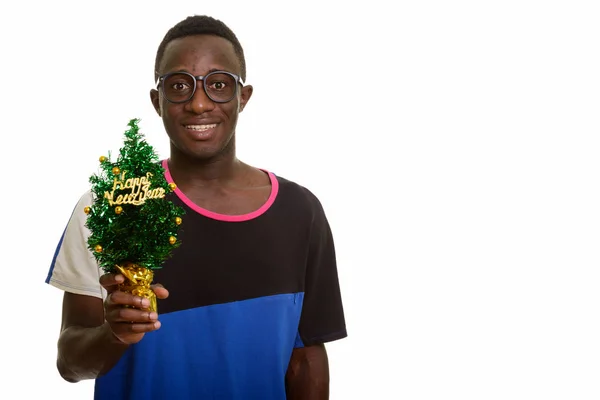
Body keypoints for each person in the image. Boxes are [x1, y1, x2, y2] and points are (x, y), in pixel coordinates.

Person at [45, 14, 347, 400]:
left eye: (218, 85)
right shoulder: (111, 206)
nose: (199, 103)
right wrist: (114, 333)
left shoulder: (300, 211)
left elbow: (305, 362)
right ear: (157, 101)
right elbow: (70, 364)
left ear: (244, 96)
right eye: (179, 86)